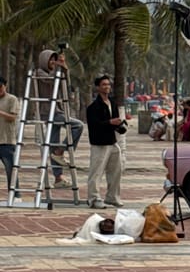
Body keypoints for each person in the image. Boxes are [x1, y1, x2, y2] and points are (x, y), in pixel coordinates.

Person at [36, 48, 84, 189]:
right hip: (48, 112)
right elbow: (51, 80)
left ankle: (58, 177)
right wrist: (58, 68)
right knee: (78, 125)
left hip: (57, 110)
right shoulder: (39, 72)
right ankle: (61, 151)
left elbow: (64, 84)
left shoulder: (55, 72)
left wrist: (65, 69)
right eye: (51, 59)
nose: (53, 62)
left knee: (52, 143)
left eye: (54, 59)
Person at [86, 75, 124, 209]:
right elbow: (94, 124)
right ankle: (94, 198)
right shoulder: (93, 107)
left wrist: (119, 125)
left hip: (112, 142)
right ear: (98, 87)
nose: (107, 87)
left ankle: (112, 197)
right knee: (96, 172)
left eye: (108, 84)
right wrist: (110, 122)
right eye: (103, 84)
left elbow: (114, 119)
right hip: (99, 143)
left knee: (116, 170)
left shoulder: (112, 102)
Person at [0, 77, 21, 201]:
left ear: (5, 86)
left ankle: (15, 194)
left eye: (1, 88)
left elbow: (12, 117)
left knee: (10, 169)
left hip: (7, 141)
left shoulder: (12, 99)